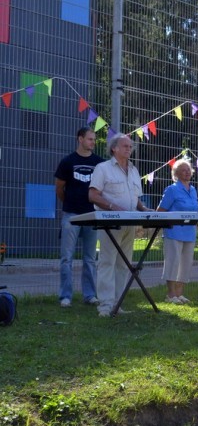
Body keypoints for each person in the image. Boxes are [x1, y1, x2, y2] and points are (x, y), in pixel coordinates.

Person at [88, 134, 150, 317]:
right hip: (110, 223)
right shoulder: (103, 168)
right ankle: (105, 306)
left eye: (130, 146)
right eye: (125, 146)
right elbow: (93, 195)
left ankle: (117, 304)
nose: (128, 149)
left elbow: (135, 198)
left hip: (130, 223)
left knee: (124, 264)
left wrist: (144, 209)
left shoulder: (134, 170)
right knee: (107, 262)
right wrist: (113, 207)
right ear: (113, 148)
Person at [54, 127, 104, 308]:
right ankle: (65, 296)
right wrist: (69, 203)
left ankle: (89, 295)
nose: (93, 142)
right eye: (90, 139)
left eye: (94, 139)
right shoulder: (67, 161)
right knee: (66, 258)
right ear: (80, 139)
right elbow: (59, 188)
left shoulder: (99, 163)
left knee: (90, 258)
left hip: (92, 215)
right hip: (71, 215)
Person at [156, 159, 198, 304]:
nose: (187, 172)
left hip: (190, 232)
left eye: (188, 170)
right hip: (174, 232)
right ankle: (171, 295)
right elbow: (161, 211)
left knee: (186, 263)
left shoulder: (193, 190)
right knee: (173, 262)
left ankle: (180, 294)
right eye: (183, 170)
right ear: (176, 174)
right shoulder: (172, 189)